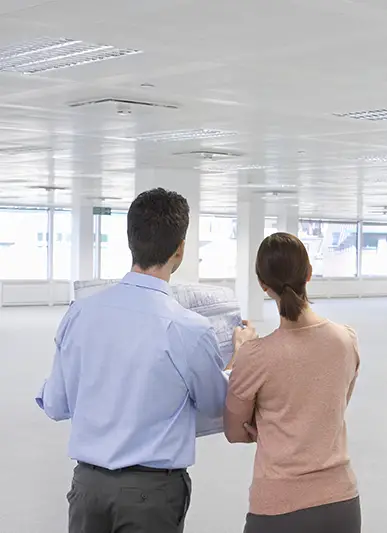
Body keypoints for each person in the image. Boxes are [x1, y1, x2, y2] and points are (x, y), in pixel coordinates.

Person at [36, 187, 257, 533]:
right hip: (150, 496)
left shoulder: (81, 313)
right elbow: (218, 404)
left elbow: (55, 404)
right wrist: (239, 358)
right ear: (179, 250)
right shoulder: (190, 328)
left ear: (130, 241)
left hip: (87, 489)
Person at [225, 232, 361, 533]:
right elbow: (334, 406)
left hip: (278, 508)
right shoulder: (346, 341)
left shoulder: (255, 356)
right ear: (309, 274)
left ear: (263, 285)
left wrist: (238, 355)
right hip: (341, 504)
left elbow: (234, 431)